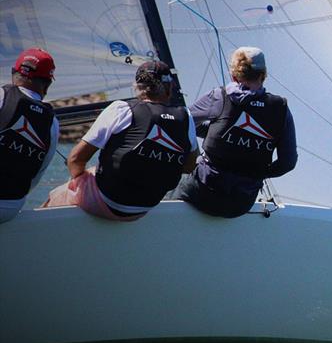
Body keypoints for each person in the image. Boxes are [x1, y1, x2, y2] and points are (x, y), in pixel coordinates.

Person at [46, 60, 198, 221]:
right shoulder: (186, 117)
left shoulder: (122, 109)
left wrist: (79, 186)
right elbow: (189, 166)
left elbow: (75, 159)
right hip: (146, 207)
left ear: (138, 87)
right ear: (169, 88)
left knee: (56, 195)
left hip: (109, 203)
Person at [173, 46, 297, 218]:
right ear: (263, 75)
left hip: (200, 193)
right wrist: (257, 172)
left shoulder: (219, 96)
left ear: (234, 75)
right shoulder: (281, 109)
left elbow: (181, 122)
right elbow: (288, 163)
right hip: (240, 203)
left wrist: (215, 134)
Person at [0, 48, 59, 223]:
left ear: (14, 72)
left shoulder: (2, 95)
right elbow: (36, 176)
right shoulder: (52, 123)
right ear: (47, 84)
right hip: (11, 206)